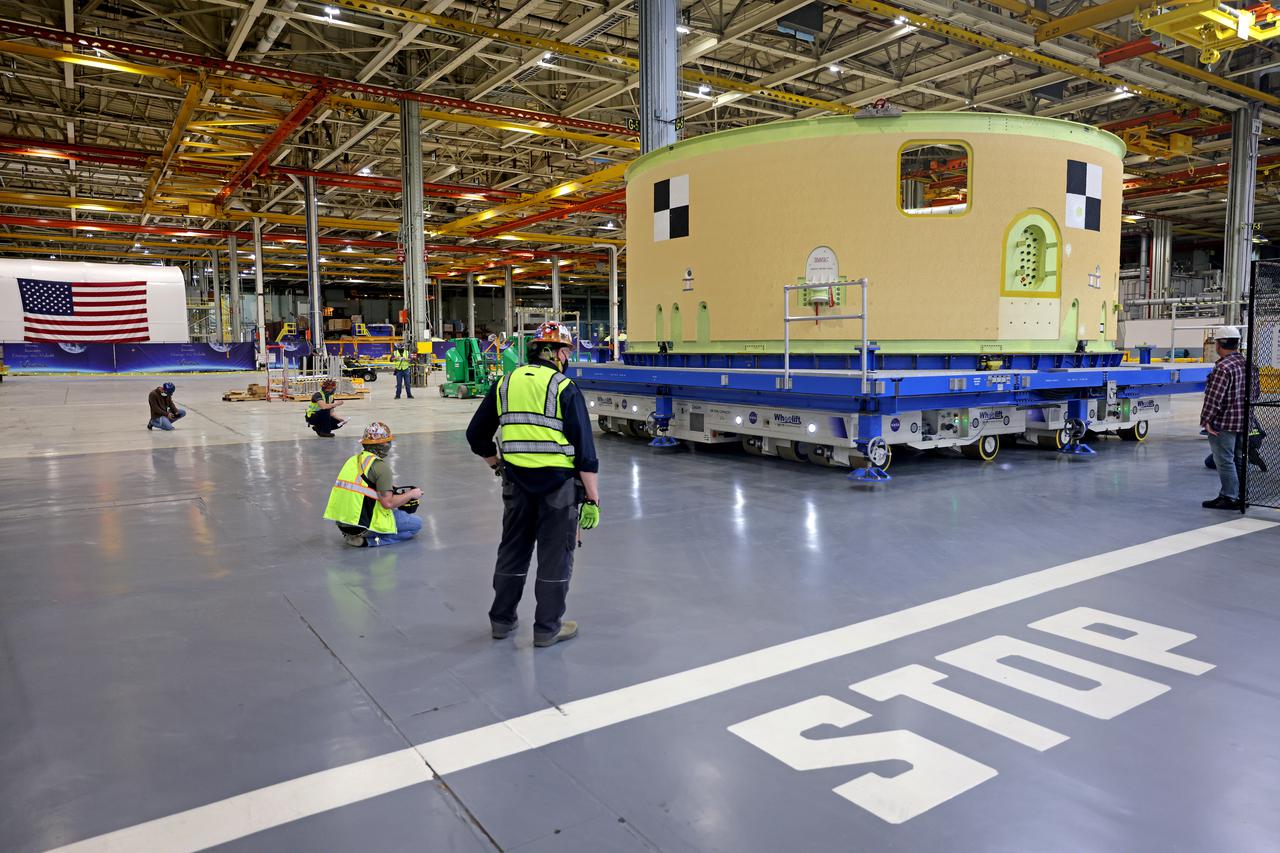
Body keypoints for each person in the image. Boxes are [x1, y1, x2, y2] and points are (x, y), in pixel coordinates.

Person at [466, 321, 600, 648]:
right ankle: (547, 629)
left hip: (516, 484)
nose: (567, 358)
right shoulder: (564, 387)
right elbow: (585, 452)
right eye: (566, 351)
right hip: (558, 487)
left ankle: (501, 621)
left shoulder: (505, 383)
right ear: (555, 352)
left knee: (513, 550)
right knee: (555, 556)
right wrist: (593, 499)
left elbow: (475, 435)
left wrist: (496, 464)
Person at [323, 421, 423, 547]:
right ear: (381, 445)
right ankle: (367, 541)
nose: (389, 445)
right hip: (363, 525)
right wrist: (412, 494)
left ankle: (353, 536)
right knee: (416, 525)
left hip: (344, 523)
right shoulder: (381, 467)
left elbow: (361, 487)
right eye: (387, 442)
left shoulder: (353, 460)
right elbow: (388, 503)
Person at [1200, 325, 1249, 510]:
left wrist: (1206, 421)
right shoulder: (1248, 364)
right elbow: (1255, 393)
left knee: (1224, 460)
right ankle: (1240, 496)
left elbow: (1214, 398)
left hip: (1224, 422)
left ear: (1219, 345)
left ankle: (1229, 497)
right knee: (1238, 459)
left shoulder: (1222, 367)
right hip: (1244, 420)